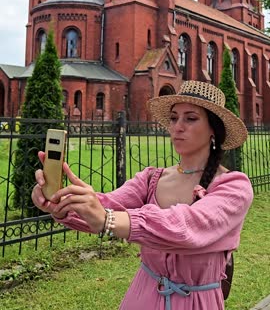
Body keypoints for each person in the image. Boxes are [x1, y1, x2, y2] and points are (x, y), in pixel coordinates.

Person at [32, 80, 253, 310]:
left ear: (213, 130)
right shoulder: (150, 179)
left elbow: (184, 228)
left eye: (190, 118)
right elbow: (106, 205)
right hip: (143, 297)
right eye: (174, 117)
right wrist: (62, 200)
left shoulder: (233, 187)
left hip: (196, 303)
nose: (177, 126)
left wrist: (106, 219)